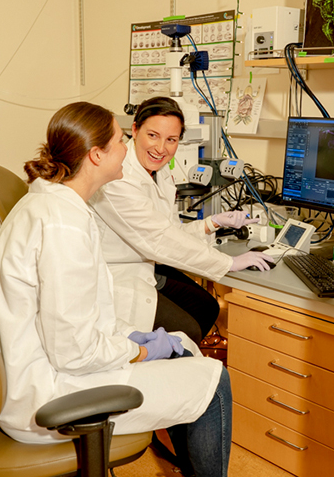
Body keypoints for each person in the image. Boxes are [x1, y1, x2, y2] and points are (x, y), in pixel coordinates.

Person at [0, 102, 231, 477]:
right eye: (119, 140)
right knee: (213, 381)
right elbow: (75, 352)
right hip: (51, 397)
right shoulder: (64, 227)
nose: (127, 147)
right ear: (96, 155)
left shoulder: (53, 202)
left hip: (41, 365)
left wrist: (128, 335)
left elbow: (76, 317)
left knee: (185, 348)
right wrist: (139, 349)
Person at [90, 97, 274, 343]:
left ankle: (175, 364)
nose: (161, 148)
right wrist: (228, 262)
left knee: (208, 307)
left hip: (146, 261)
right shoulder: (119, 177)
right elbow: (159, 239)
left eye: (171, 140)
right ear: (134, 130)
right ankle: (157, 371)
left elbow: (169, 230)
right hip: (119, 271)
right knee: (189, 330)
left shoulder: (159, 170)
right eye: (153, 135)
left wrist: (214, 222)